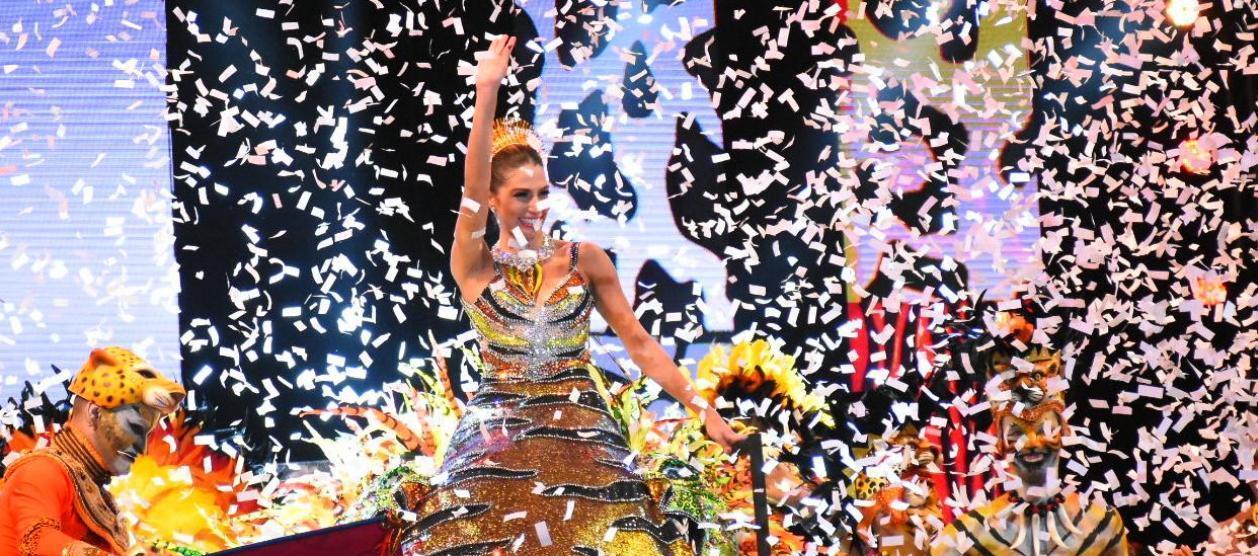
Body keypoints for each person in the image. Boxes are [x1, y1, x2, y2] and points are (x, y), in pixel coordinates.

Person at [400, 35, 746, 555]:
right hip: (496, 443)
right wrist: (486, 92)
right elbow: (469, 188)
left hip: (585, 441)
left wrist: (704, 410)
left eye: (542, 192)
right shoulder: (475, 266)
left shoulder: (586, 259)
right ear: (493, 200)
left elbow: (639, 343)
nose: (536, 205)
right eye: (521, 194)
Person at [931, 332, 1127, 556]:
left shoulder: (1103, 524)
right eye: (1016, 433)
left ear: (1064, 430)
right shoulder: (964, 537)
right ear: (999, 440)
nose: (1031, 443)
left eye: (1044, 429)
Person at [0, 347, 186, 556]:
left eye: (147, 434)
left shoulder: (93, 489)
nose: (141, 448)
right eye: (134, 428)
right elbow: (37, 539)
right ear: (95, 412)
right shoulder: (42, 470)